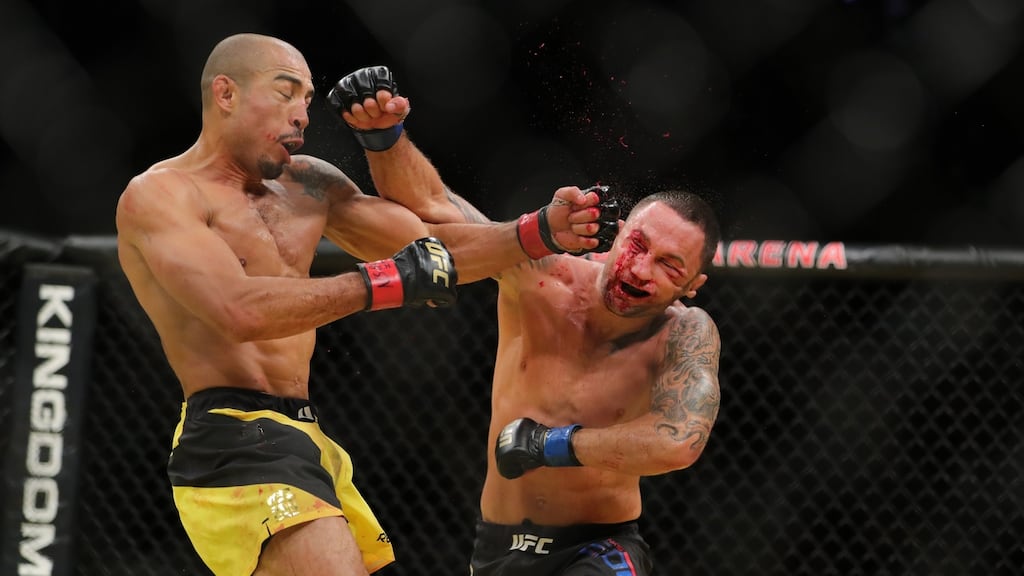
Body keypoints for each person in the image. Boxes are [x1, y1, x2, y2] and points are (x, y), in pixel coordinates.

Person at [114, 33, 614, 576]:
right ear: (226, 93)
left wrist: (539, 230)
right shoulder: (161, 195)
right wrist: (382, 281)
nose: (302, 115)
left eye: (307, 100)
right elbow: (239, 311)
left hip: (306, 439)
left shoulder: (309, 185)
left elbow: (429, 247)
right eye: (285, 93)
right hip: (233, 436)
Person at [354, 72, 723, 575]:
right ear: (616, 237)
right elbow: (431, 207)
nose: (640, 269)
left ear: (692, 285)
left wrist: (554, 444)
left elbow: (680, 439)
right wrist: (384, 136)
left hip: (600, 547)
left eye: (669, 266)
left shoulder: (683, 332)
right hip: (497, 547)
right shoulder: (542, 272)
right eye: (638, 246)